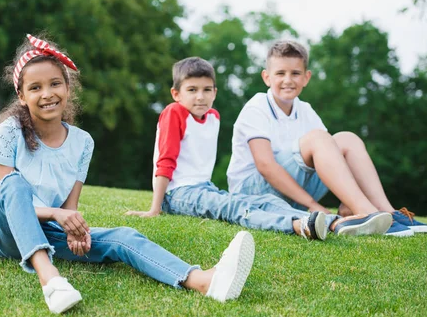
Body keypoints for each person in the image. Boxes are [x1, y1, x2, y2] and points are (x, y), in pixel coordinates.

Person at [0, 34, 256, 315]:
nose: (47, 93)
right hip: (0, 234)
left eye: (55, 84)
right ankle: (50, 280)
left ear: (68, 87)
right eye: (35, 88)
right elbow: (8, 197)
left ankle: (202, 281)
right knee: (15, 183)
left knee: (124, 237)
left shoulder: (83, 142)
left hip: (46, 231)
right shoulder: (10, 131)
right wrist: (56, 215)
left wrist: (75, 230)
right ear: (22, 96)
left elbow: (69, 209)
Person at [126, 57, 391, 239]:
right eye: (192, 89)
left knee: (266, 200)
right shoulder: (174, 113)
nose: (200, 96)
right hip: (179, 193)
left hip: (203, 188)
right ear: (176, 93)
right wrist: (156, 208)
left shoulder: (213, 117)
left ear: (215, 92)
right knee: (234, 210)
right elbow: (165, 162)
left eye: (207, 90)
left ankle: (331, 221)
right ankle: (298, 224)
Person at [226, 40, 427, 237]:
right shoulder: (257, 107)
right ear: (267, 77)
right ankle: (367, 213)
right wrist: (313, 205)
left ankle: (387, 212)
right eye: (280, 73)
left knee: (346, 139)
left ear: (306, 78)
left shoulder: (304, 110)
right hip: (253, 192)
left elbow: (331, 155)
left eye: (295, 73)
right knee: (318, 138)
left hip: (291, 189)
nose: (288, 80)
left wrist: (345, 200)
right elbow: (265, 165)